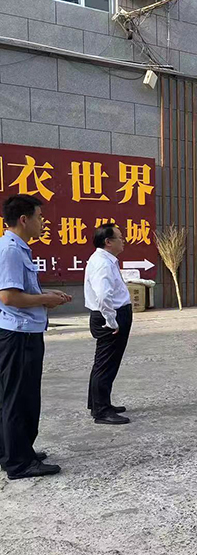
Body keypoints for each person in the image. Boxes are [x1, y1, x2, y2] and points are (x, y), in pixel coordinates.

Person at [0, 195, 70, 479]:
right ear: (24, 219)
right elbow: (9, 296)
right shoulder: (10, 250)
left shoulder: (16, 248)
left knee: (13, 396)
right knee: (21, 398)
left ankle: (14, 451)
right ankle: (20, 462)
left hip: (20, 332)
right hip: (19, 335)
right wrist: (45, 300)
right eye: (39, 217)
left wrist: (45, 296)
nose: (43, 222)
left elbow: (18, 292)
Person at [84, 223, 134, 425]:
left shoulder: (106, 260)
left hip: (113, 315)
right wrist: (112, 321)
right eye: (120, 237)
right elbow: (104, 296)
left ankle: (99, 403)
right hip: (109, 318)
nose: (123, 241)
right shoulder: (102, 263)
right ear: (108, 242)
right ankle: (101, 411)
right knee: (105, 364)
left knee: (107, 363)